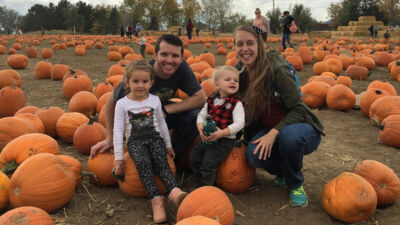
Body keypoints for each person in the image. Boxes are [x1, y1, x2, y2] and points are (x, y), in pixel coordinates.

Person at [233, 25, 324, 207]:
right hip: (268, 129)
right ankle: (284, 172)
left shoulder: (278, 70)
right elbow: (238, 108)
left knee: (289, 137)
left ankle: (295, 183)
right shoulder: (240, 72)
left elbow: (298, 109)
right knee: (253, 156)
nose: (245, 49)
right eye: (239, 44)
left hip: (301, 126)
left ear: (259, 45)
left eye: (250, 43)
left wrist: (274, 132)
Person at [90, 34, 206, 159]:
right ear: (155, 55)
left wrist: (165, 110)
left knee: (198, 116)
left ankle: (172, 156)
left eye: (175, 56)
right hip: (139, 119)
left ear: (181, 58)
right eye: (164, 54)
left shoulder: (182, 69)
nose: (169, 60)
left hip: (162, 114)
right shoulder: (141, 74)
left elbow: (201, 98)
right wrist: (110, 138)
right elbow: (111, 100)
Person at [113, 60, 187, 223]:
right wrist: (118, 157)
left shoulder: (154, 101)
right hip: (135, 142)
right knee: (143, 164)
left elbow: (161, 124)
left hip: (155, 138)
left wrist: (167, 144)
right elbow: (118, 131)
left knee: (162, 163)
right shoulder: (122, 104)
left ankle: (174, 191)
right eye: (136, 81)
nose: (141, 85)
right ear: (127, 82)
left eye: (145, 81)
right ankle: (156, 199)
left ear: (151, 83)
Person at [190, 66, 245, 188]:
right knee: (195, 157)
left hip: (224, 141)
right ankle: (200, 181)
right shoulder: (211, 100)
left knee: (208, 164)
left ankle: (206, 188)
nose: (233, 82)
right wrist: (200, 126)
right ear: (217, 85)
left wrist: (223, 133)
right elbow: (202, 114)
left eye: (236, 80)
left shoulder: (236, 104)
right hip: (208, 137)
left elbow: (240, 123)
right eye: (228, 79)